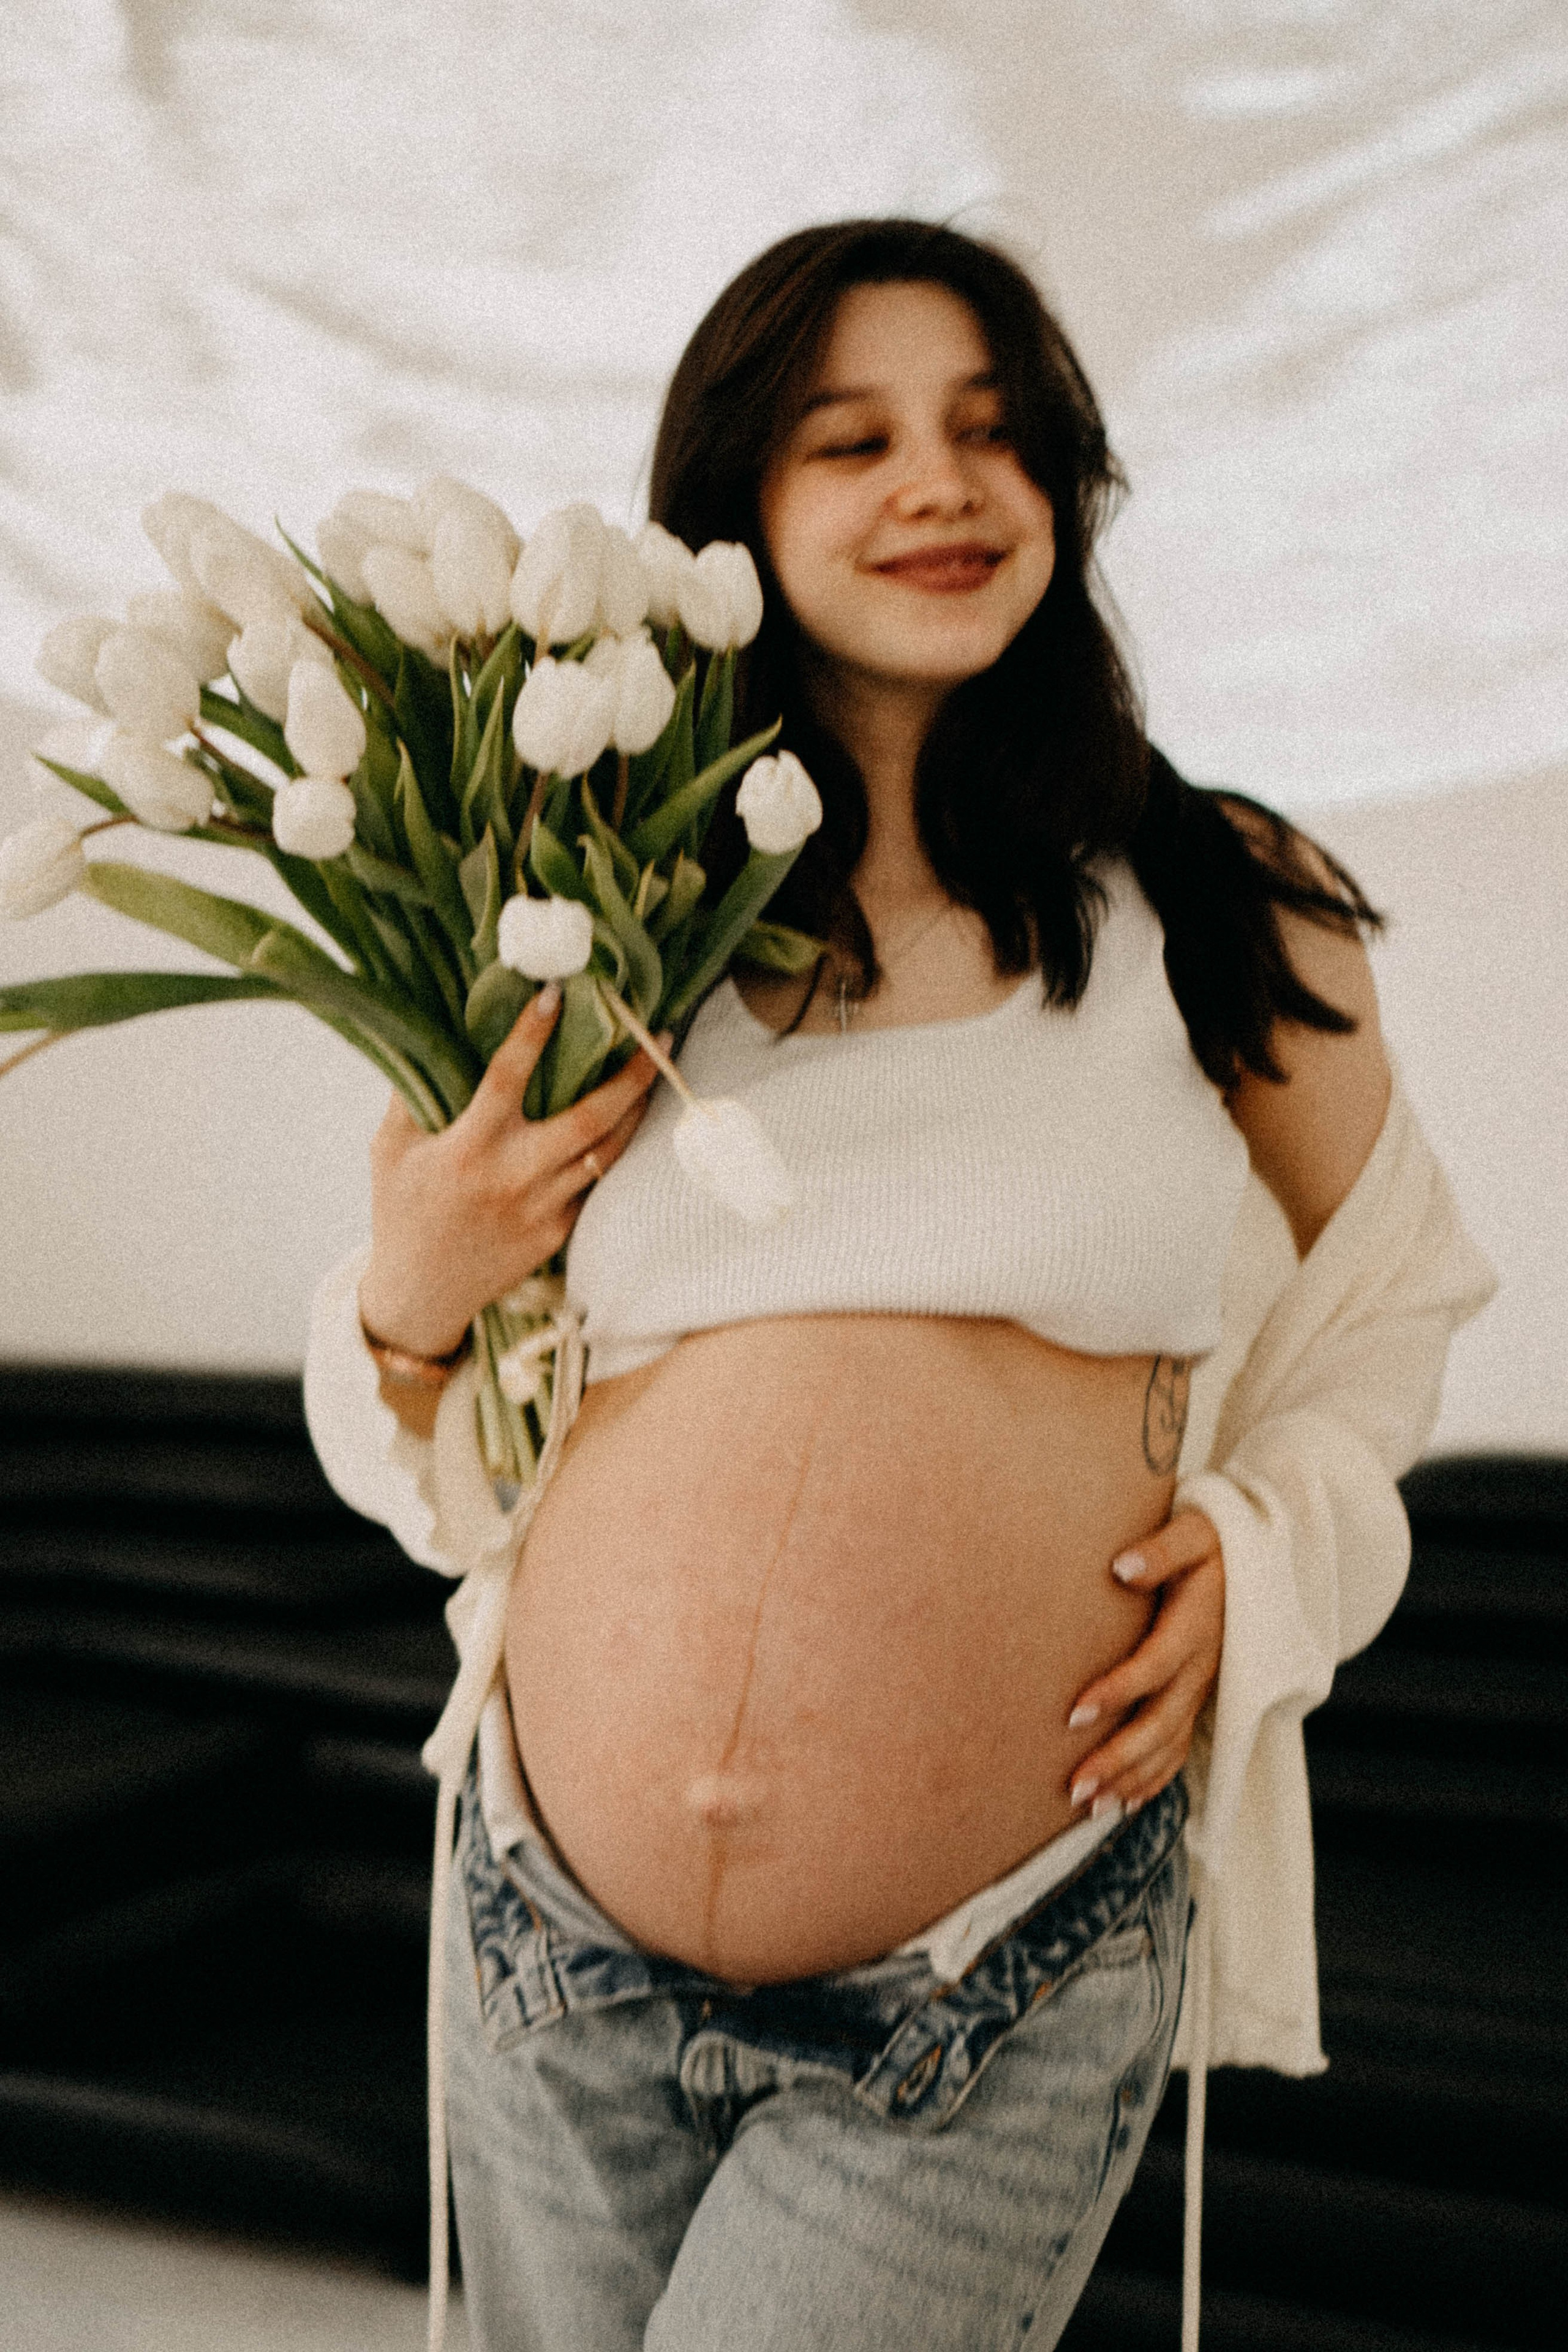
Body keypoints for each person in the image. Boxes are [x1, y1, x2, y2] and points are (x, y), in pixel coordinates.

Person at [304, 220, 1495, 2352]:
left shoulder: (1220, 903)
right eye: (852, 442)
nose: (940, 487)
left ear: (1068, 490)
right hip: (546, 1937)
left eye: (994, 434)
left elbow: (1385, 1315)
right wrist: (400, 1302)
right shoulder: (595, 917)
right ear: (735, 511)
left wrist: (1268, 1544)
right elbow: (446, 1445)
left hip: (994, 1961)